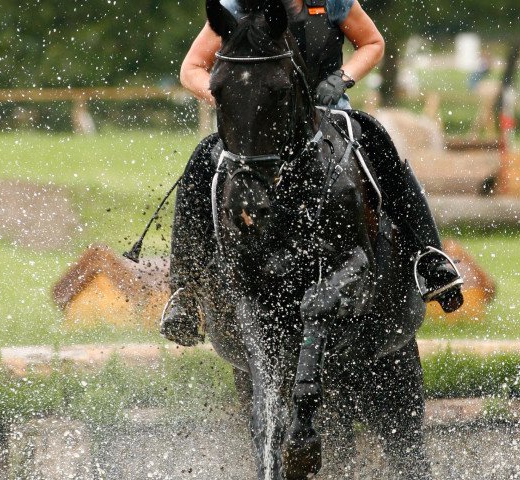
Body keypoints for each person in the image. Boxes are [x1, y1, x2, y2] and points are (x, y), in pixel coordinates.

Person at [160, 0, 463, 346]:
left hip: (327, 114)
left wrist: (343, 77)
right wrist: (233, 99)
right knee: (201, 162)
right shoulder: (234, 7)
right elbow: (192, 68)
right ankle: (184, 291)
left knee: (378, 141)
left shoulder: (333, 2)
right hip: (256, 130)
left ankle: (429, 256)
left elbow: (373, 43)